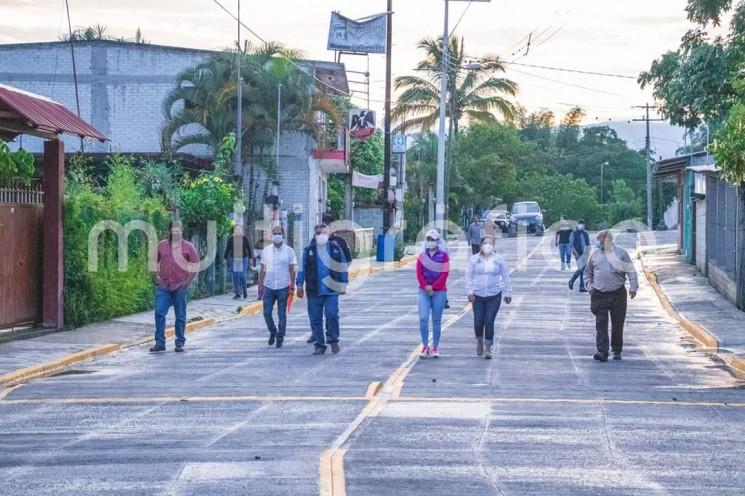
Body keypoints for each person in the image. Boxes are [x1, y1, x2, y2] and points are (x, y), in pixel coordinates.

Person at [585, 230, 639, 362]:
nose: (598, 242)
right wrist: (590, 287)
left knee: (617, 323)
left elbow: (631, 271)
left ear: (607, 239)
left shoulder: (621, 253)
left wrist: (633, 287)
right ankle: (602, 351)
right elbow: (588, 273)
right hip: (599, 294)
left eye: (600, 239)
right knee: (600, 324)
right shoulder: (595, 255)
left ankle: (616, 349)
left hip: (617, 294)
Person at [297, 224, 349, 355]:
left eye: (324, 232)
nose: (321, 235)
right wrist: (299, 285)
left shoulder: (335, 250)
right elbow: (302, 269)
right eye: (318, 233)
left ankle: (333, 340)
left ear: (329, 234)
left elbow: (342, 267)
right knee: (315, 318)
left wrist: (343, 284)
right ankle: (319, 344)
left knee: (332, 315)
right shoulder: (309, 251)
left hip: (332, 290)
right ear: (315, 235)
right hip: (314, 289)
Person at [150, 220, 199, 353]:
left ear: (182, 231)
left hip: (180, 285)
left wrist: (187, 282)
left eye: (178, 230)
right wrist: (157, 277)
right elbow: (154, 261)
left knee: (180, 315)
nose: (176, 232)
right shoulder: (162, 245)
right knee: (159, 312)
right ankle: (160, 342)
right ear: (170, 230)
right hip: (164, 284)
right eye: (173, 229)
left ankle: (180, 342)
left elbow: (195, 265)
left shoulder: (188, 247)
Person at [465, 235, 512, 359]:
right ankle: (479, 340)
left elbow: (506, 276)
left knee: (489, 321)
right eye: (485, 243)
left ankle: (488, 347)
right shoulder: (474, 259)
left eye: (490, 243)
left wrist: (508, 293)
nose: (488, 246)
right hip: (478, 296)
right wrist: (470, 292)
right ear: (480, 246)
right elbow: (468, 276)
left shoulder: (499, 259)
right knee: (479, 321)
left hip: (494, 295)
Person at [258, 225, 297, 348]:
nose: (277, 235)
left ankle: (280, 336)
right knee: (266, 313)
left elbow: (293, 269)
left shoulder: (289, 251)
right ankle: (273, 331)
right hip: (268, 285)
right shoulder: (266, 250)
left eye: (279, 233)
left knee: (281, 313)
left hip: (283, 286)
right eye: (274, 233)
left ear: (283, 235)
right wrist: (260, 285)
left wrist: (292, 286)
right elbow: (263, 269)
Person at [416, 229, 450, 359]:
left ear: (437, 241)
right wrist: (426, 286)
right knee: (423, 318)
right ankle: (425, 346)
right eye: (428, 239)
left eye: (433, 240)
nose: (430, 242)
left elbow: (444, 273)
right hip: (423, 291)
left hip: (439, 291)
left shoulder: (443, 256)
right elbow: (419, 273)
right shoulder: (422, 256)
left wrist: (434, 287)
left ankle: (435, 347)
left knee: (436, 320)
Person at [224, 224, 255, 300]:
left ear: (242, 231)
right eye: (236, 229)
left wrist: (250, 258)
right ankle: (238, 293)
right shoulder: (231, 239)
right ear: (234, 231)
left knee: (242, 275)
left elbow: (249, 248)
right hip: (234, 259)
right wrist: (224, 258)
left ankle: (244, 290)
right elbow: (227, 249)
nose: (238, 230)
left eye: (239, 229)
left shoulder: (244, 238)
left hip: (243, 259)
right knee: (235, 276)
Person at [568, 220, 591, 292]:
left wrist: (588, 252)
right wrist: (575, 253)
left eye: (582, 224)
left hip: (585, 253)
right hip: (578, 253)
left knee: (583, 271)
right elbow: (571, 245)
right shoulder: (573, 233)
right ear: (577, 224)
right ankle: (572, 281)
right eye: (580, 224)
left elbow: (588, 243)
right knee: (581, 269)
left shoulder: (585, 233)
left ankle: (581, 287)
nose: (581, 225)